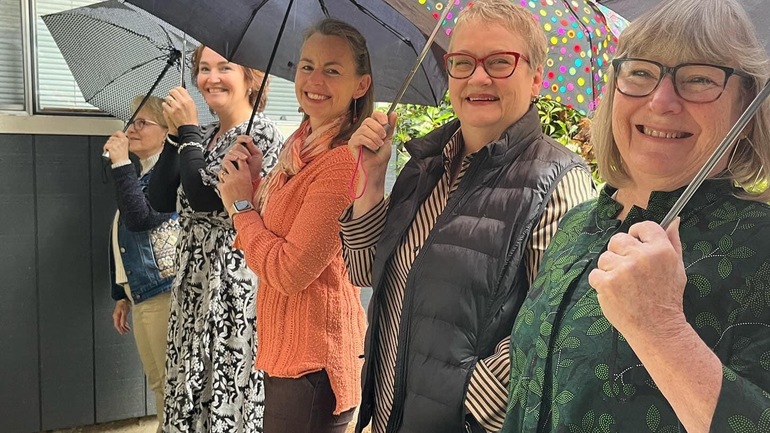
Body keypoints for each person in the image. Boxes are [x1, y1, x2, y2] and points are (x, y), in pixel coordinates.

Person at [500, 0, 770, 432]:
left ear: (746, 105)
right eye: (641, 73)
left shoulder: (761, 247)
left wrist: (661, 328)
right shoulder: (578, 224)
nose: (661, 101)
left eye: (700, 78)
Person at [341, 0, 596, 431]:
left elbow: (560, 325)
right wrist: (372, 179)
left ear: (536, 78)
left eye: (499, 62)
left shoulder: (559, 183)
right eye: (463, 62)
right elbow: (365, 271)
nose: (478, 77)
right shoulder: (425, 164)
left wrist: (467, 400)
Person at [216, 18, 370, 433]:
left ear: (361, 85)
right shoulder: (298, 151)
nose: (315, 80)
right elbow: (276, 233)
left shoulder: (341, 165)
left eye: (332, 70)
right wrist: (254, 184)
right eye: (307, 66)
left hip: (315, 365)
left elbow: (289, 271)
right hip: (289, 355)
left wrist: (240, 206)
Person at [148, 45, 283, 433]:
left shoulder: (261, 134)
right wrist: (175, 137)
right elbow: (159, 199)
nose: (211, 78)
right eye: (204, 69)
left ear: (250, 79)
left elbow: (207, 200)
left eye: (224, 67)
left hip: (230, 282)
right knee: (187, 386)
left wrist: (187, 130)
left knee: (222, 387)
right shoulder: (204, 135)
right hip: (191, 282)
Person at [105, 95, 178, 433]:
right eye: (131, 122)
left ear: (165, 131)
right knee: (158, 381)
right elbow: (123, 241)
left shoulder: (168, 175)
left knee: (168, 382)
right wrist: (121, 294)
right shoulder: (144, 174)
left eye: (142, 123)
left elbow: (139, 219)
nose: (131, 129)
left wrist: (120, 164)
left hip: (163, 293)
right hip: (143, 294)